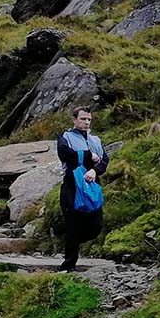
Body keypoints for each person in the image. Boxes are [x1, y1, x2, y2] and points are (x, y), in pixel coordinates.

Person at [56, 106, 108, 271]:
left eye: (89, 119)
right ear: (74, 120)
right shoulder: (65, 137)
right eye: (83, 119)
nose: (86, 122)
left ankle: (75, 241)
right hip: (71, 184)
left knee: (96, 225)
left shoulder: (96, 140)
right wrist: (88, 155)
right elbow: (65, 153)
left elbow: (105, 160)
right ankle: (68, 266)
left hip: (92, 184)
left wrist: (95, 170)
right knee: (72, 224)